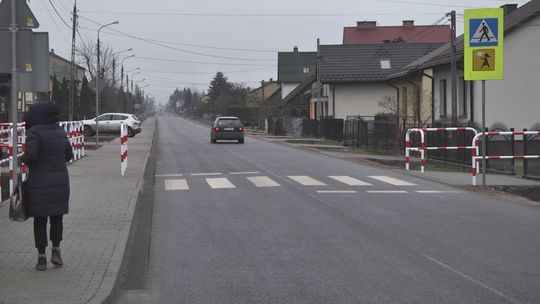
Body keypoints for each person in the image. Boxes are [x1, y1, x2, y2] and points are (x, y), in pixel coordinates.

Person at [21, 100, 73, 271]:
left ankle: (41, 257)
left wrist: (22, 158)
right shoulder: (60, 132)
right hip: (60, 183)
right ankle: (56, 251)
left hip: (39, 184)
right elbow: (69, 155)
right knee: (57, 219)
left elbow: (31, 156)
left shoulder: (34, 132)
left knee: (40, 221)